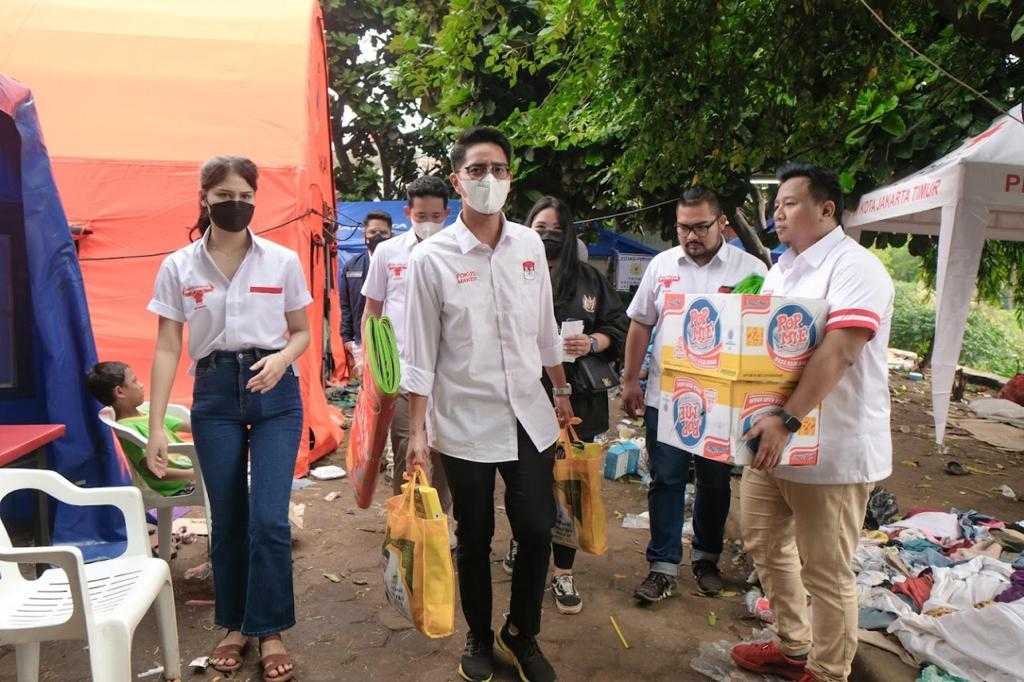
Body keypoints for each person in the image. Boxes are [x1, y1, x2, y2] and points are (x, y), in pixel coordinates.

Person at [403, 126, 572, 682]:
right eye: (476, 170)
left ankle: (522, 632)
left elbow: (546, 331)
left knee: (537, 527)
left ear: (511, 178)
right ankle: (479, 632)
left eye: (498, 169)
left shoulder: (528, 246)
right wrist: (418, 431)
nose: (489, 179)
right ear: (458, 181)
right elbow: (422, 352)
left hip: (529, 413)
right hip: (464, 419)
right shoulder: (433, 259)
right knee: (473, 535)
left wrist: (563, 392)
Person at [144, 155, 311, 681]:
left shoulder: (281, 261)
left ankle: (271, 629)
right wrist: (153, 428)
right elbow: (169, 345)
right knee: (228, 520)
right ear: (204, 199)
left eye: (243, 194)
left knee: (268, 519)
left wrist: (283, 358)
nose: (234, 204)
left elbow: (303, 330)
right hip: (214, 393)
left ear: (255, 198)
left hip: (274, 393)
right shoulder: (179, 266)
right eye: (222, 196)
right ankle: (235, 625)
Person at [730, 163, 893, 682]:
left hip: (830, 447)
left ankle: (827, 671)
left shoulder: (855, 268)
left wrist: (787, 418)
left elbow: (840, 350)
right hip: (773, 440)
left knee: (826, 569)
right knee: (761, 540)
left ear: (826, 209)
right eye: (775, 206)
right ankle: (794, 644)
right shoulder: (782, 269)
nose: (777, 213)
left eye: (790, 203)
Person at [621, 187, 767, 603]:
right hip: (666, 398)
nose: (691, 236)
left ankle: (706, 558)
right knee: (665, 480)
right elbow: (640, 325)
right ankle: (663, 566)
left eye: (700, 226)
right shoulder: (662, 266)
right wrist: (631, 380)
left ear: (722, 223)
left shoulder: (749, 269)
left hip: (723, 404)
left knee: (715, 482)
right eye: (683, 227)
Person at [502, 196, 628, 615]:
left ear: (569, 233)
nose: (548, 236)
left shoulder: (590, 280)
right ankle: (522, 545)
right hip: (523, 398)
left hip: (578, 401)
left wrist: (594, 342)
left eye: (557, 229)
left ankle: (563, 571)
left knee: (570, 487)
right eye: (540, 228)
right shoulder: (511, 275)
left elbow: (618, 325)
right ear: (526, 229)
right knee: (524, 483)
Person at [361, 175, 453, 512]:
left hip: (445, 371)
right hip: (399, 370)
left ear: (447, 214)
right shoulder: (387, 252)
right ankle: (405, 525)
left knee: (441, 449)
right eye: (421, 216)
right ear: (407, 212)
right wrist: (368, 360)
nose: (428, 223)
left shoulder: (456, 253)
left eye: (436, 217)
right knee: (406, 445)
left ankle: (440, 522)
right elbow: (372, 310)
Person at [87, 361, 196, 497]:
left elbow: (192, 427)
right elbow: (154, 471)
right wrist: (194, 473)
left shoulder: (147, 413)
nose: (141, 385)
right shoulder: (128, 430)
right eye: (135, 381)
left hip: (192, 472)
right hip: (179, 487)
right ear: (120, 391)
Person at [341, 211, 393, 376]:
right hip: (362, 341)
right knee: (368, 390)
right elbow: (346, 305)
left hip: (394, 339)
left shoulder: (401, 263)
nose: (377, 236)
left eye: (383, 233)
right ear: (365, 235)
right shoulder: (352, 265)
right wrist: (348, 339)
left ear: (391, 234)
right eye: (372, 232)